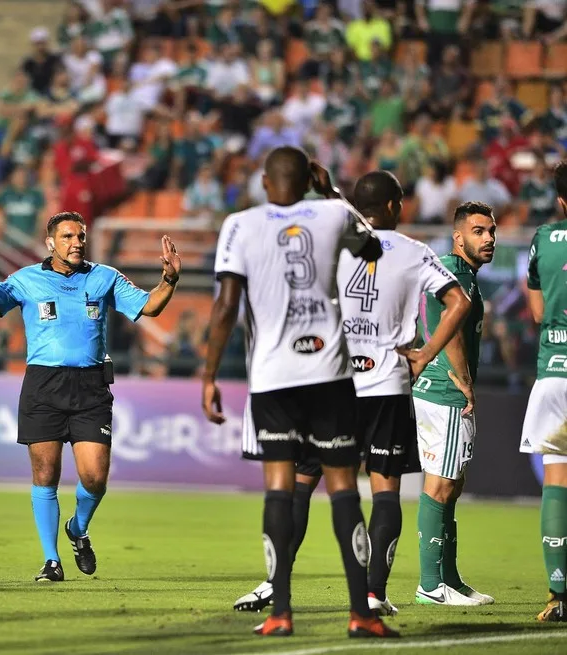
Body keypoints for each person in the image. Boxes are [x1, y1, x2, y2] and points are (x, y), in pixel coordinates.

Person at [231, 171, 472, 617]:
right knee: (385, 491)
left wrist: (328, 193)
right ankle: (372, 594)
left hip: (330, 381)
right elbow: (460, 302)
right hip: (385, 384)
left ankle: (274, 583)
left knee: (302, 485)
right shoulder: (416, 253)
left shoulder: (331, 244)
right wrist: (423, 355)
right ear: (397, 206)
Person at [201, 147, 396, 638]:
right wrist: (330, 190)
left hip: (273, 378)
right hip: (329, 375)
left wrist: (208, 376)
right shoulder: (332, 212)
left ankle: (281, 611)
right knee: (344, 490)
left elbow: (226, 306)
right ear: (307, 179)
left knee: (279, 488)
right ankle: (361, 613)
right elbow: (373, 247)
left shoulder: (240, 225)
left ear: (266, 182)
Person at [0, 211, 180, 581]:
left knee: (94, 477)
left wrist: (170, 280)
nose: (77, 242)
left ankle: (78, 528)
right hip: (43, 385)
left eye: (80, 236)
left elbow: (150, 305)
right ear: (50, 243)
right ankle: (51, 560)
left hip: (91, 386)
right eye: (67, 237)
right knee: (45, 474)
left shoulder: (104, 277)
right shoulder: (26, 279)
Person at [412, 201, 496, 606]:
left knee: (452, 483)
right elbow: (455, 334)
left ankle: (449, 578)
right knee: (440, 485)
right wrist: (464, 382)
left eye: (492, 231)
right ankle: (430, 585)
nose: (490, 239)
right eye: (479, 231)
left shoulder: (453, 270)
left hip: (435, 387)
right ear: (458, 236)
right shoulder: (456, 272)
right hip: (445, 391)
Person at [520, 160, 567, 622]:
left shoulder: (542, 240)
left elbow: (536, 312)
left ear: (560, 200)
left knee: (556, 480)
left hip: (554, 372)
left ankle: (558, 594)